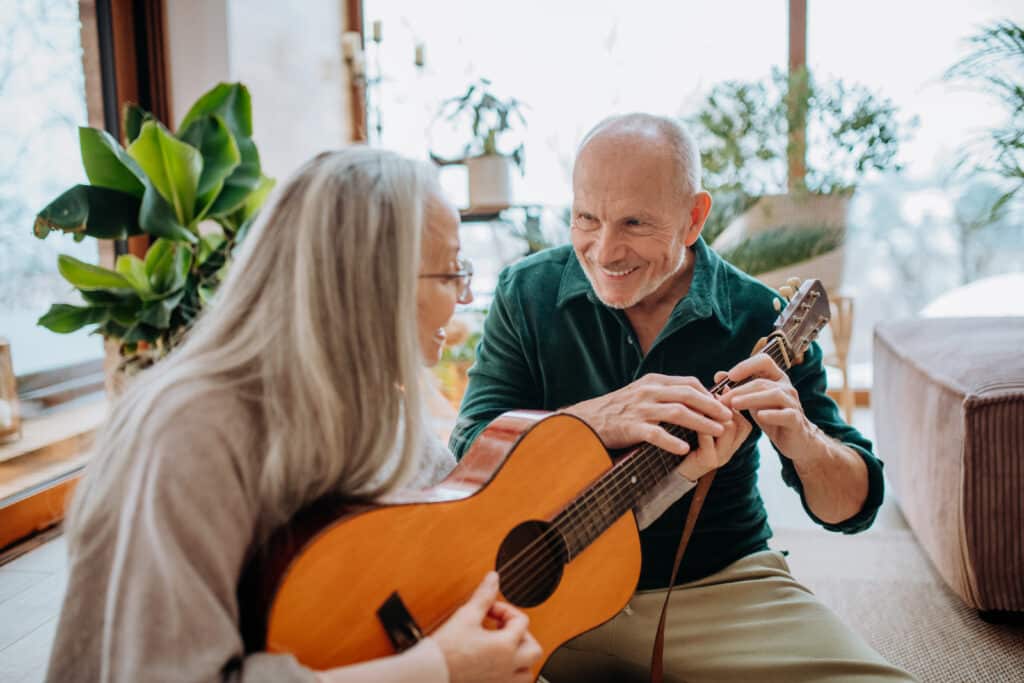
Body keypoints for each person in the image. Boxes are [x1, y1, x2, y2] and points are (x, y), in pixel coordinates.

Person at [46, 148, 542, 683]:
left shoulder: (373, 404)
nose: (465, 296)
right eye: (450, 272)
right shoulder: (190, 428)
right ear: (368, 282)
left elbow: (463, 533)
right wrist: (438, 669)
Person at [451, 114, 914, 682]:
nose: (605, 249)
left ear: (694, 217)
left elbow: (852, 509)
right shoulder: (526, 292)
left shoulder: (759, 317)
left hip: (714, 584)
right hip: (547, 581)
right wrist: (596, 418)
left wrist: (805, 440)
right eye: (586, 219)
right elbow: (471, 447)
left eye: (635, 223)